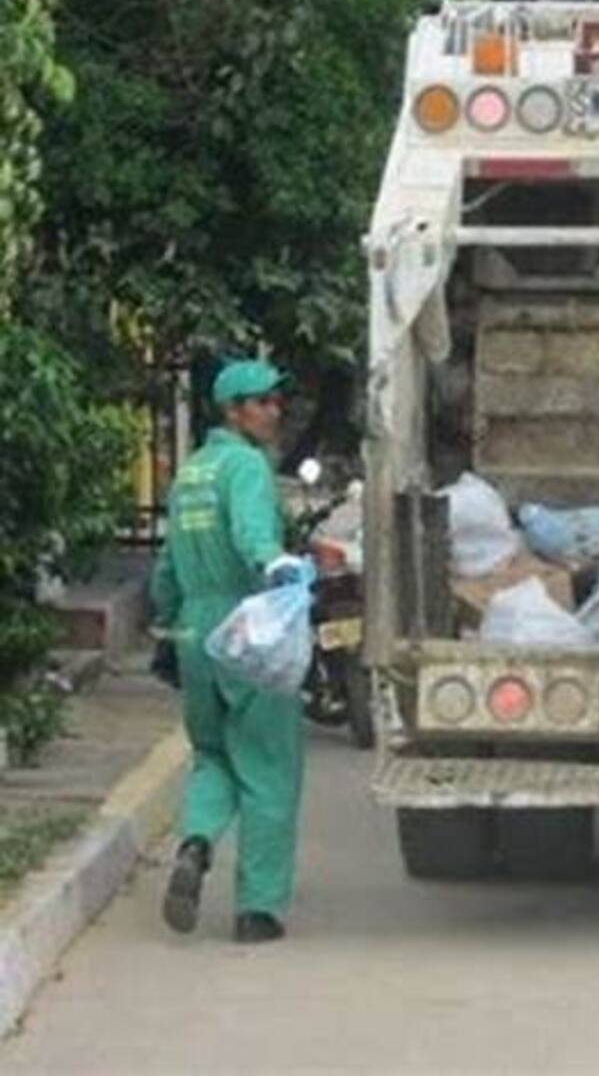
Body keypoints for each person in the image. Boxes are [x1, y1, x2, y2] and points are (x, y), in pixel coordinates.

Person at [151, 359, 308, 942]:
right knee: (269, 767)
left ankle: (195, 843)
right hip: (246, 627)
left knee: (212, 754)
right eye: (260, 402)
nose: (274, 411)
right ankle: (258, 911)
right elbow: (252, 535)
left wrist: (167, 625)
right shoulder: (245, 467)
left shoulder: (190, 473)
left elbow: (166, 569)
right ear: (232, 411)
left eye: (274, 400)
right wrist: (275, 562)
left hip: (195, 631)